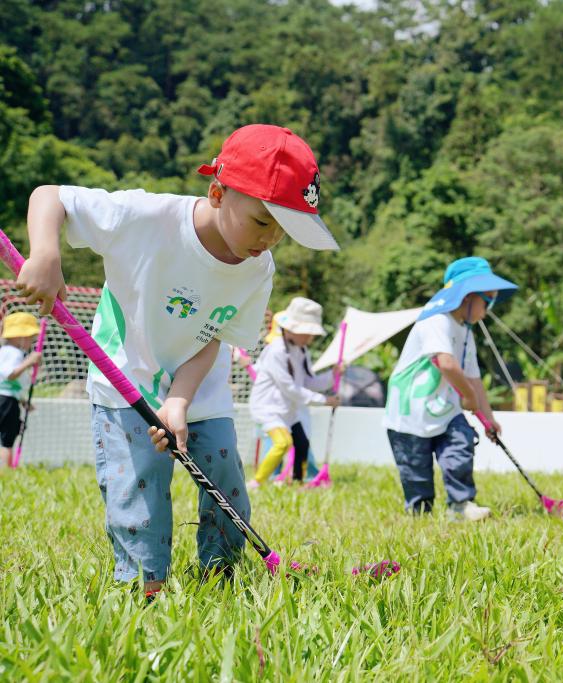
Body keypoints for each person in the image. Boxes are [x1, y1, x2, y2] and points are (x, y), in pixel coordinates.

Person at [16, 124, 339, 595]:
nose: (270, 240)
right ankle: (145, 589)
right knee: (140, 493)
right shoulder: (144, 216)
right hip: (124, 380)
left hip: (200, 389)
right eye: (263, 221)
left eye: (284, 230)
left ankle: (219, 580)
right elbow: (50, 196)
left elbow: (215, 336)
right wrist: (46, 253)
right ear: (217, 194)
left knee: (226, 487)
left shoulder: (258, 268)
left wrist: (181, 401)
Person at [382, 256, 517, 521]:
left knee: (460, 447)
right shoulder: (436, 320)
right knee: (416, 471)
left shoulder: (466, 332)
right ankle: (419, 513)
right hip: (410, 414)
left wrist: (488, 418)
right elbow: (446, 363)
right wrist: (467, 395)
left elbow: (474, 379)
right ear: (466, 296)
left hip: (445, 410)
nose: (488, 309)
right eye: (486, 300)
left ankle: (461, 504)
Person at [247, 297, 342, 488]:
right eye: (306, 332)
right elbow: (290, 388)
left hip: (288, 410)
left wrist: (332, 376)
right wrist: (324, 400)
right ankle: (257, 482)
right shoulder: (276, 352)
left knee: (302, 443)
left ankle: (298, 481)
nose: (310, 338)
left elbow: (307, 382)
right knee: (282, 443)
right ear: (290, 329)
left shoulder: (302, 350)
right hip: (269, 409)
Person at [0, 312, 43, 467]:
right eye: (30, 338)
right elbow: (9, 375)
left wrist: (22, 401)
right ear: (21, 337)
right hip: (6, 402)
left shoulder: (4, 352)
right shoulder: (14, 353)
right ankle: (8, 470)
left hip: (7, 399)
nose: (31, 342)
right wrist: (29, 362)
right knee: (7, 439)